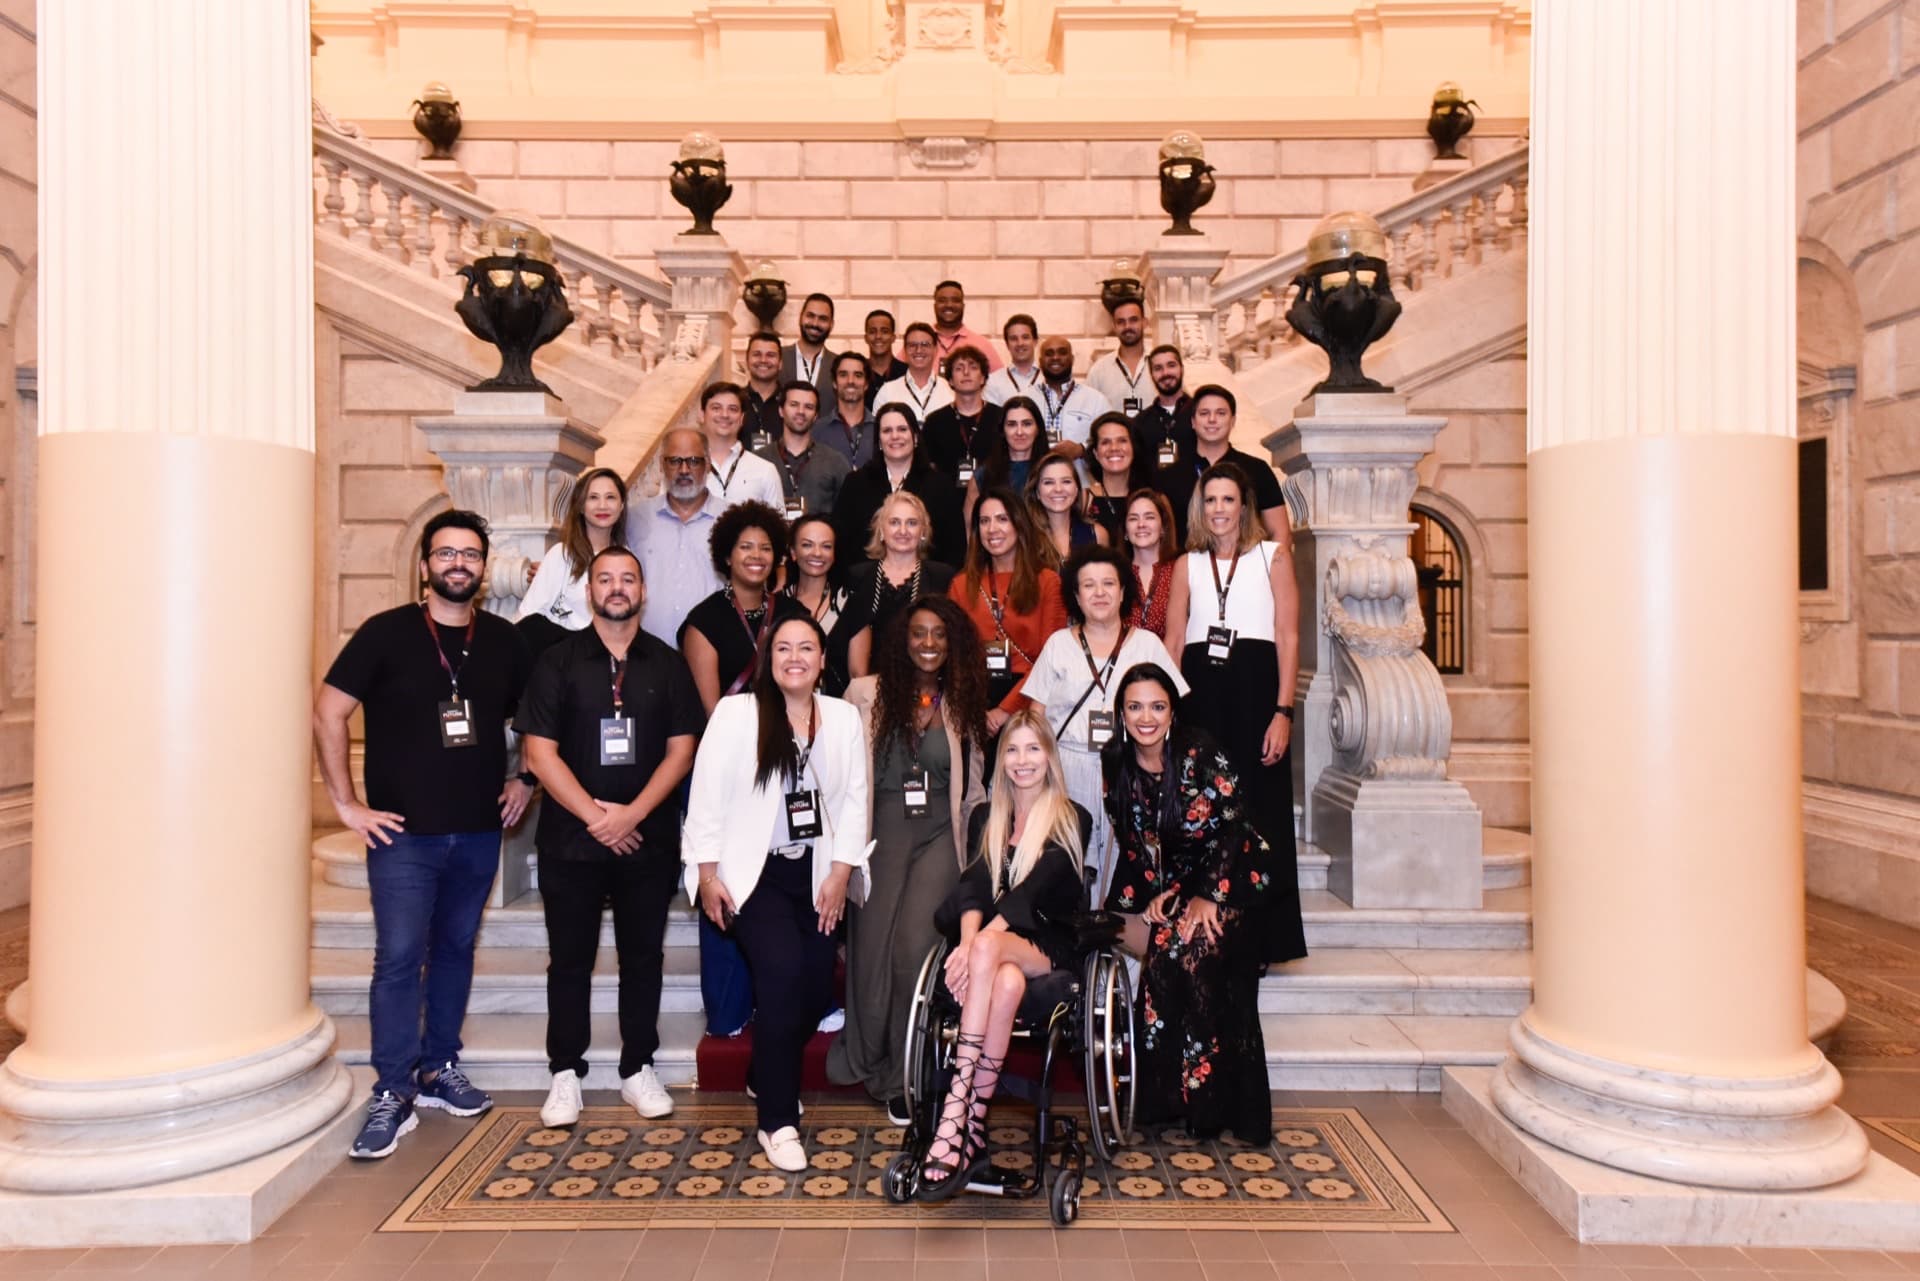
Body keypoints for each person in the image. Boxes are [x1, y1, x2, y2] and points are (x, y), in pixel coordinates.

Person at [314, 510, 536, 1159]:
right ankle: (392, 1086)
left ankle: (440, 1066)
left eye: (470, 554)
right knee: (399, 957)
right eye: (447, 553)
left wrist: (525, 776)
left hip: (475, 831)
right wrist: (346, 804)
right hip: (403, 837)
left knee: (457, 949)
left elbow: (532, 718)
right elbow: (328, 709)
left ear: (483, 565)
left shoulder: (502, 640)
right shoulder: (385, 634)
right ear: (424, 564)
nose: (458, 564)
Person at [519, 547, 701, 1127]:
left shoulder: (668, 664)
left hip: (645, 840)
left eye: (628, 579)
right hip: (571, 840)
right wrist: (600, 819)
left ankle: (636, 1068)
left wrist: (634, 816)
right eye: (606, 579)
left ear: (643, 592)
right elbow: (538, 753)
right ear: (589, 590)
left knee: (642, 957)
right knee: (569, 960)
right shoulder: (556, 661)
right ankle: (565, 1073)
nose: (617, 588)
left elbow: (683, 749)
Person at [685, 617, 871, 1172]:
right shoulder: (736, 713)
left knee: (815, 989)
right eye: (783, 648)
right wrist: (708, 873)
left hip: (814, 872)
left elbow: (855, 801)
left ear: (822, 659)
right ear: (769, 657)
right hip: (752, 874)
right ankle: (776, 1120)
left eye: (806, 648)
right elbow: (707, 795)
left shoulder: (840, 717)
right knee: (782, 973)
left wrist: (841, 872)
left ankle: (763, 1069)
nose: (795, 657)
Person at [827, 597, 991, 1123]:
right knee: (871, 948)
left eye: (939, 635)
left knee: (913, 947)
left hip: (942, 835)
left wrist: (983, 849)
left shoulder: (963, 700)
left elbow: (975, 786)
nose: (928, 644)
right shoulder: (863, 695)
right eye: (919, 633)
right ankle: (866, 1055)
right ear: (903, 640)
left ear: (953, 643)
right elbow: (841, 778)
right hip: (879, 834)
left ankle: (906, 1073)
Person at [917, 710, 1089, 1201]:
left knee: (993, 949)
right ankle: (971, 1132)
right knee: (1007, 982)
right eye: (1012, 749)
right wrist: (971, 944)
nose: (1022, 760)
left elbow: (1032, 894)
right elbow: (971, 887)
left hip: (1049, 945)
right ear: (1001, 759)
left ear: (1050, 757)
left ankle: (957, 1103)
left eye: (1033, 749)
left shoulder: (1072, 816)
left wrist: (978, 947)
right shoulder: (984, 818)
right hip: (1002, 955)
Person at [1102, 662, 1274, 1143]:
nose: (1146, 717)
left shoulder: (1200, 751)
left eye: (1157, 706)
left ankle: (1208, 1112)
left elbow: (1234, 825)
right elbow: (1135, 844)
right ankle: (1165, 1104)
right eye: (1134, 707)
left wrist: (1208, 896)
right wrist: (1156, 898)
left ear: (1172, 711)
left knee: (1191, 951)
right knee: (1165, 947)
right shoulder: (1115, 762)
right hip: (1179, 887)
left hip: (1234, 879)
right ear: (1121, 713)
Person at [1164, 461, 1307, 963]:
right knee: (1205, 814)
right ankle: (1207, 930)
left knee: (1259, 816)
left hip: (1256, 696)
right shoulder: (1187, 564)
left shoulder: (1274, 556)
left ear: (1243, 506)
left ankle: (1262, 938)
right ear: (1199, 508)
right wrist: (1170, 713)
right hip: (1201, 699)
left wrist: (1283, 710)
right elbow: (1175, 640)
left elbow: (1289, 637)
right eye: (1210, 500)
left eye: (1228, 500)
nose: (1219, 509)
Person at [1017, 544, 1185, 882]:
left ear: (1123, 591)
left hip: (1128, 767)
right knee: (1065, 863)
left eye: (1108, 583)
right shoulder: (1058, 644)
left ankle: (1113, 932)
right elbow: (1035, 718)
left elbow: (1174, 710)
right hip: (1067, 768)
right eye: (1088, 585)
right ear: (1076, 596)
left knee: (1122, 867)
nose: (1099, 593)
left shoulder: (1148, 644)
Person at [948, 489, 1068, 724]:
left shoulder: (1047, 582)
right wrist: (973, 710)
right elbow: (955, 658)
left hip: (1032, 700)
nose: (992, 529)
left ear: (1019, 525)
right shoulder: (961, 585)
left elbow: (1050, 660)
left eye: (1002, 519)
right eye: (984, 521)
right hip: (973, 702)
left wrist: (1005, 712)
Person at [680, 500, 808, 715]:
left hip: (789, 732)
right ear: (728, 557)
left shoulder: (794, 614)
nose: (756, 555)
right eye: (745, 547)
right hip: (729, 736)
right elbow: (712, 713)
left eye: (765, 548)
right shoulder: (705, 621)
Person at [1155, 384, 1290, 547]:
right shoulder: (1170, 476)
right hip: (1188, 568)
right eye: (1204, 413)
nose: (1212, 419)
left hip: (1245, 568)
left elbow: (1280, 533)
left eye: (1221, 413)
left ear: (1232, 421)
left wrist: (1273, 569)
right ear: (1193, 422)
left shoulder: (1257, 470)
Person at [835, 402, 965, 569]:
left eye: (902, 429)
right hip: (867, 583)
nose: (895, 436)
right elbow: (842, 541)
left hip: (928, 585)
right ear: (879, 441)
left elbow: (954, 546)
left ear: (916, 437)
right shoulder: (856, 483)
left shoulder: (941, 485)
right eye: (887, 431)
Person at [844, 490, 958, 678]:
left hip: (925, 685)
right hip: (869, 686)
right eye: (894, 522)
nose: (903, 531)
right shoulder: (858, 576)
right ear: (881, 530)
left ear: (923, 531)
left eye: (912, 523)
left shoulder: (942, 576)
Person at [627, 427, 725, 646]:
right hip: (646, 653)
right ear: (662, 465)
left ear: (708, 464)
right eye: (674, 461)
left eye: (693, 461)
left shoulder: (731, 520)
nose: (684, 469)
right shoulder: (635, 519)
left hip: (710, 653)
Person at [516, 466, 627, 651]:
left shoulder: (626, 558)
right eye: (593, 497)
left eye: (610, 497)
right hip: (562, 661)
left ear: (622, 505)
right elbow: (526, 618)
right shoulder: (561, 554)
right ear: (581, 506)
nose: (602, 505)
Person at [754, 379, 850, 519]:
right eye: (794, 405)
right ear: (781, 410)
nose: (801, 412)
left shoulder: (835, 462)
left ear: (816, 416)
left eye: (809, 407)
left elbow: (846, 516)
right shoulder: (759, 460)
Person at [783, 514, 854, 697]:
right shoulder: (777, 603)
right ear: (793, 552)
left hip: (839, 713)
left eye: (826, 546)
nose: (817, 553)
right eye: (807, 545)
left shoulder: (851, 603)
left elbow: (858, 677)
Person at [920, 345, 1004, 486]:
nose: (966, 372)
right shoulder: (934, 421)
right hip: (946, 500)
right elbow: (928, 468)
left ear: (983, 378)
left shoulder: (1001, 417)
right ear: (951, 380)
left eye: (973, 367)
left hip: (992, 498)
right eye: (959, 368)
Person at [696, 381, 786, 511]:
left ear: (742, 418)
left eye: (732, 409)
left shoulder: (765, 471)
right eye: (716, 408)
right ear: (702, 415)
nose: (724, 415)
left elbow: (777, 527)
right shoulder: (682, 467)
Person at [964, 395, 1043, 524]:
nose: (1019, 432)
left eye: (1027, 424)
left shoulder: (1051, 471)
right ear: (1002, 430)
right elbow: (970, 528)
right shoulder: (983, 476)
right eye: (1011, 424)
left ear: (1038, 429)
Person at [1026, 448, 1107, 566]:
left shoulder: (1097, 535)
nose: (1058, 489)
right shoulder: (1024, 537)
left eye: (1066, 481)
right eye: (1048, 482)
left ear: (1076, 489)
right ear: (1037, 492)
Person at [1085, 413, 1152, 546]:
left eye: (1122, 440)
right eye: (1105, 442)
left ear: (1133, 448)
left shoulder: (1153, 499)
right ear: (1096, 453)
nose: (1114, 448)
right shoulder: (1083, 500)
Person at [1034, 335, 1111, 447]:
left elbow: (1109, 436)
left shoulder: (1096, 400)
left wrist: (1082, 449)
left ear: (1072, 359)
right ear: (1040, 362)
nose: (1055, 357)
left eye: (1062, 352)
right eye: (1049, 353)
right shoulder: (1026, 399)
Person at [1123, 489, 1179, 639]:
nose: (1141, 524)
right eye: (1133, 519)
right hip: (1123, 660)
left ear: (1163, 527)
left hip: (1168, 659)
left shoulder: (1179, 570)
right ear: (1125, 531)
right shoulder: (1115, 573)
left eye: (1149, 517)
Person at [874, 322, 954, 423]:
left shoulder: (950, 391)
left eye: (925, 345)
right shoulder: (887, 392)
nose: (919, 350)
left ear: (935, 349)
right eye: (912, 345)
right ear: (905, 350)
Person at [1087, 298, 1152, 417]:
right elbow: (1089, 414)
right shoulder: (1099, 371)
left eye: (1133, 320)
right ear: (1114, 326)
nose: (1127, 326)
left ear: (1145, 322)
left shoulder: (1160, 366)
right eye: (1121, 322)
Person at [1131, 344, 1193, 468]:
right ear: (1151, 375)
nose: (1165, 373)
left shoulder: (1199, 413)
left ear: (1182, 369)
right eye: (1158, 368)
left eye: (1171, 365)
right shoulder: (1140, 421)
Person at [816, 350, 877, 469]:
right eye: (843, 375)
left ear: (866, 384)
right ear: (834, 382)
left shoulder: (881, 429)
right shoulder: (817, 430)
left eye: (858, 375)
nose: (850, 381)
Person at [929, 279, 1003, 371]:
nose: (949, 305)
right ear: (935, 306)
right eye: (942, 300)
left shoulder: (982, 344)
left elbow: (999, 380)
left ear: (963, 306)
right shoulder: (918, 343)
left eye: (955, 300)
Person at [781, 292, 838, 407]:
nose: (815, 323)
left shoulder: (838, 365)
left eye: (823, 319)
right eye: (810, 316)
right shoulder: (778, 357)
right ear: (801, 317)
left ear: (831, 325)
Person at [984, 313, 1042, 405]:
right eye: (1013, 339)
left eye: (1025, 337)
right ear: (1007, 344)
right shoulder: (993, 382)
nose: (1020, 343)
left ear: (1035, 341)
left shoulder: (1047, 379)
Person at [741, 332, 785, 447]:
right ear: (747, 361)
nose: (763, 360)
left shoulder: (791, 402)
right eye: (757, 354)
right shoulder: (735, 401)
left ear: (780, 363)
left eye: (771, 355)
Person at [862, 308, 908, 409]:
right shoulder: (858, 372)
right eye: (872, 331)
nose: (878, 336)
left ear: (893, 337)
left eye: (885, 331)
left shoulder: (907, 373)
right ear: (866, 338)